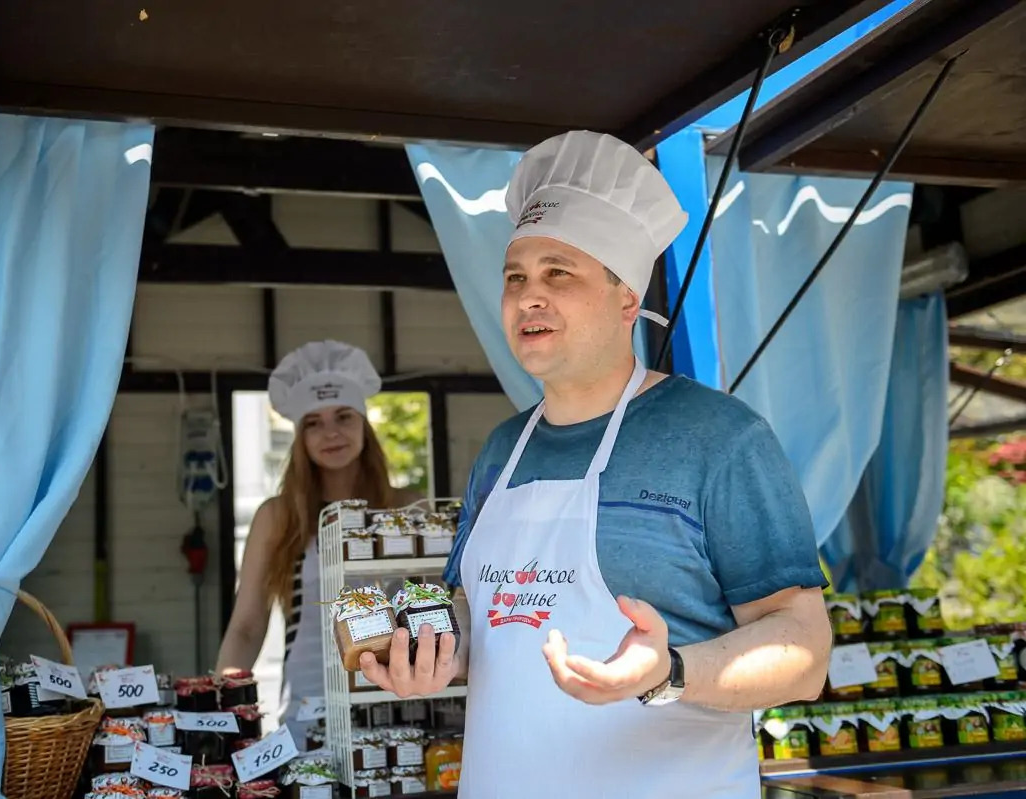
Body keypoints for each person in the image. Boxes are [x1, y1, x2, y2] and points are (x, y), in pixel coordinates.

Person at [358, 131, 833, 798]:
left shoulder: (719, 438)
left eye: (559, 273)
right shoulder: (501, 449)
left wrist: (669, 671)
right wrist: (432, 654)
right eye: (516, 277)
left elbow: (805, 651)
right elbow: (479, 615)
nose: (529, 296)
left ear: (626, 299)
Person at [215, 340, 419, 748]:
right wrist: (219, 708)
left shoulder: (408, 508)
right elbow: (247, 626)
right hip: (309, 705)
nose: (331, 433)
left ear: (364, 425)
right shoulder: (278, 516)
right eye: (313, 422)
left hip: (402, 698)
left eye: (344, 416)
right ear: (300, 437)